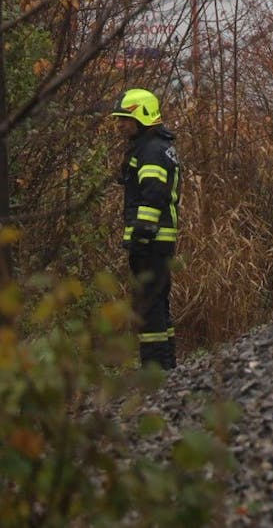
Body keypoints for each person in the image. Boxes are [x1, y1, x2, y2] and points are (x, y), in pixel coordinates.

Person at [111, 87, 182, 370]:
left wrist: (140, 235)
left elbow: (153, 194)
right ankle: (168, 365)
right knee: (158, 303)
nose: (120, 125)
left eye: (124, 119)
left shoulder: (150, 150)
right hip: (160, 241)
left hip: (150, 242)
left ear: (142, 116)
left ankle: (155, 371)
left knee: (147, 305)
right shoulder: (157, 146)